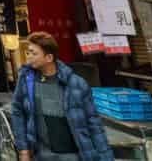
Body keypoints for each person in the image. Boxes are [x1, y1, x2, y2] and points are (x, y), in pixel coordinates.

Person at [11, 32, 113, 161]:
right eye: (28, 52)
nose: (29, 57)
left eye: (34, 53)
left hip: (73, 155)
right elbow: (17, 113)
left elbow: (94, 123)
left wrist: (105, 156)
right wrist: (23, 150)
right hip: (40, 155)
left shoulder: (76, 84)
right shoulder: (26, 81)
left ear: (48, 58)